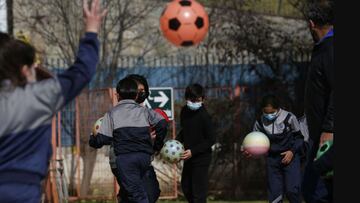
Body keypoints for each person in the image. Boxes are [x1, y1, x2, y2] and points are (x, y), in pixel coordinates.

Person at [0, 0, 107, 202]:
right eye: (33, 67)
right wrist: (91, 31)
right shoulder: (39, 96)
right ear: (24, 70)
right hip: (23, 191)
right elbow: (82, 71)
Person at [89, 77, 168, 203]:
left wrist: (92, 139)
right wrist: (157, 144)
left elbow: (103, 138)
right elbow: (163, 124)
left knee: (137, 194)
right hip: (144, 158)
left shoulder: (112, 113)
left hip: (125, 160)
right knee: (141, 192)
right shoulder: (144, 111)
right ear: (136, 95)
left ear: (118, 95)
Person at [107, 74, 163, 203]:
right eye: (138, 91)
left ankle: (124, 197)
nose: (140, 94)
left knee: (152, 192)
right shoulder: (119, 112)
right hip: (122, 161)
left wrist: (155, 143)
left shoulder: (145, 113)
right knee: (142, 196)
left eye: (143, 92)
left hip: (142, 160)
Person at [243, 94, 304, 203]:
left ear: (278, 109)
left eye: (272, 112)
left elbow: (299, 138)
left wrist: (292, 151)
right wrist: (249, 151)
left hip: (290, 158)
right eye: (266, 113)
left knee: (292, 191)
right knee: (274, 195)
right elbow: (254, 140)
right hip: (272, 160)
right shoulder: (259, 122)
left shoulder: (289, 118)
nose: (269, 115)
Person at [302, 1, 334, 202]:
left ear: (311, 23)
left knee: (315, 191)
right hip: (320, 134)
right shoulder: (323, 48)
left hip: (328, 136)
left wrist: (330, 128)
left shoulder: (330, 49)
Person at [176, 83, 215, 203]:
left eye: (198, 100)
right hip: (188, 158)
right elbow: (185, 131)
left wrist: (193, 151)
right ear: (186, 99)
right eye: (192, 100)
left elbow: (211, 139)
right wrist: (176, 142)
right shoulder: (184, 112)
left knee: (198, 193)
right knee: (186, 187)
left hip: (201, 157)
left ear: (203, 99)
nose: (195, 103)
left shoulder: (204, 116)